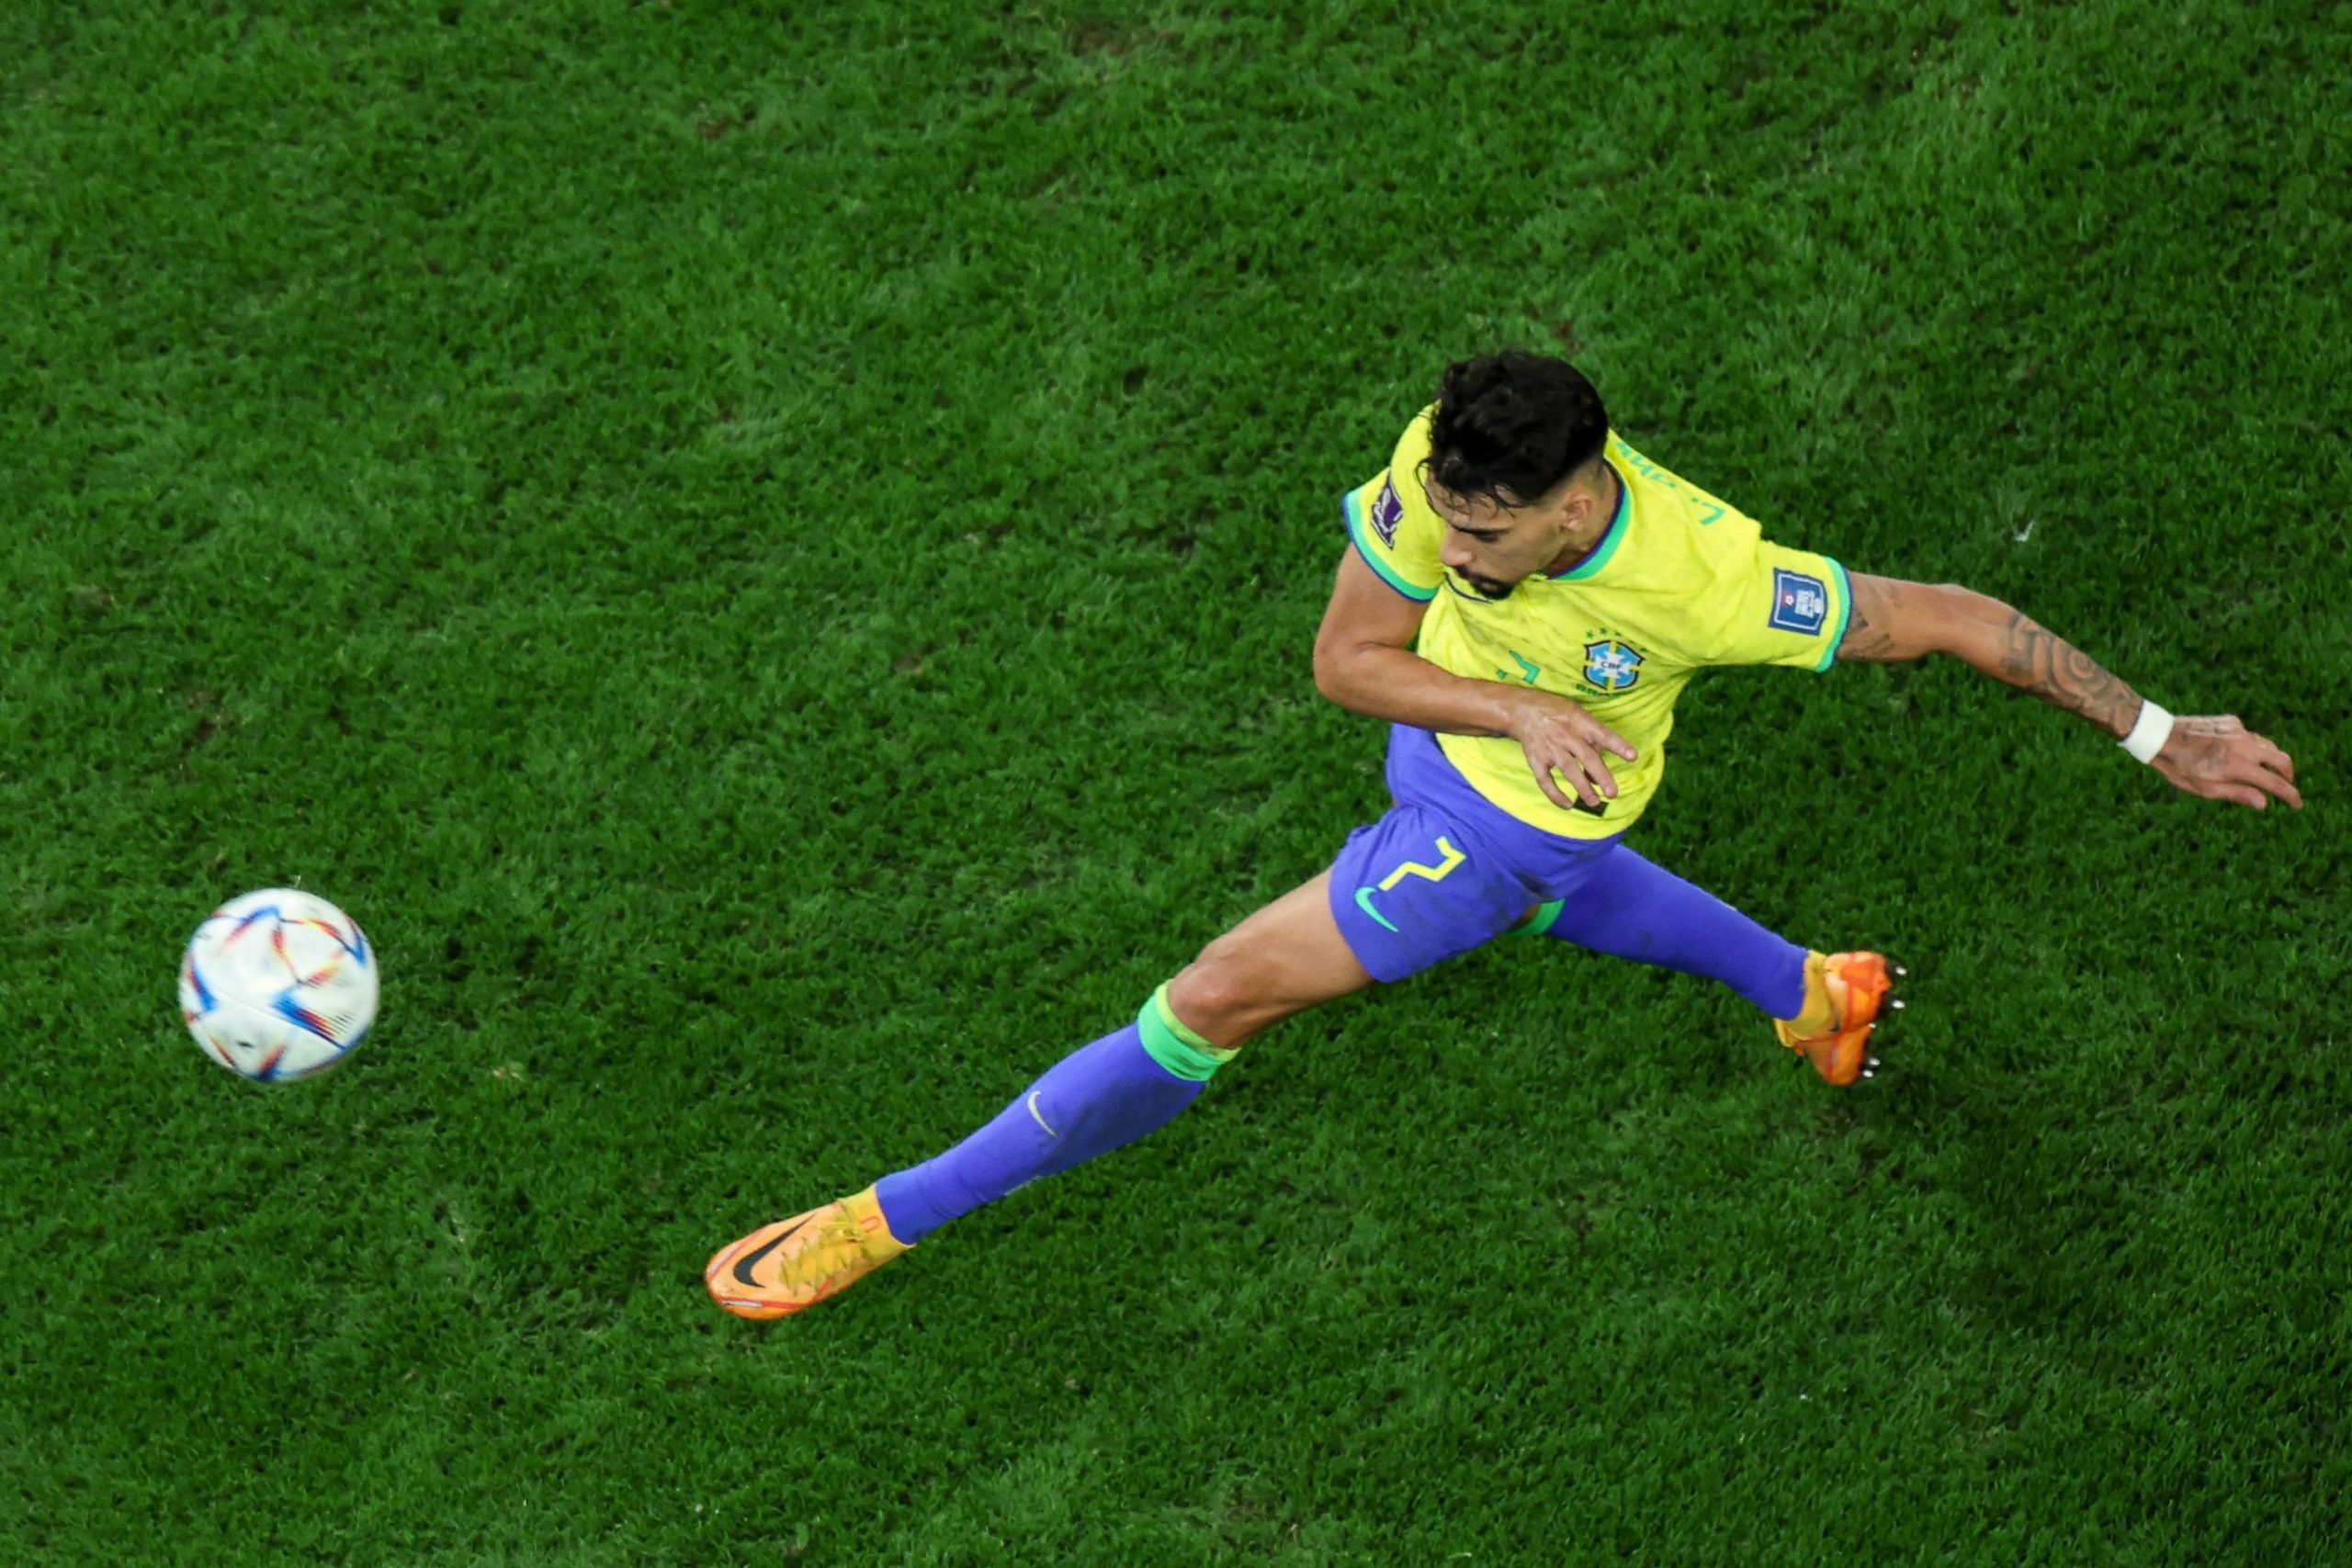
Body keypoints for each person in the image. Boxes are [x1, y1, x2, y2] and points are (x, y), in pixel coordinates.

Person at [705, 351, 2302, 1319]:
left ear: (1577, 498)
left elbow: (1951, 613)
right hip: (1474, 743)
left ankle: (889, 1215)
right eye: (1445, 517)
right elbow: (1348, 658)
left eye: (1487, 533)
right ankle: (1820, 995)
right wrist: (1512, 698)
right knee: (1580, 886)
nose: (1452, 547)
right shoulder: (1445, 457)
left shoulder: (1706, 581)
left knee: (1214, 999)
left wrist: (2167, 734)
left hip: (1490, 833)